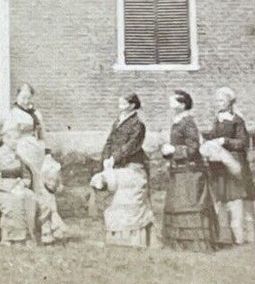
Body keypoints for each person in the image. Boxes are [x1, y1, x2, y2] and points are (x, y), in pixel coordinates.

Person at [204, 87, 255, 247]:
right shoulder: (217, 118)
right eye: (217, 100)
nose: (218, 103)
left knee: (237, 199)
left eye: (221, 100)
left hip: (235, 163)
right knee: (222, 199)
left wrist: (225, 141)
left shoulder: (237, 120)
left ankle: (243, 236)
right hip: (220, 164)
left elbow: (242, 142)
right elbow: (214, 136)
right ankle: (225, 236)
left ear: (230, 102)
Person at [91, 92, 153, 247]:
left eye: (123, 103)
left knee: (130, 201)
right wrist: (106, 158)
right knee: (115, 202)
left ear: (132, 105)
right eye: (119, 103)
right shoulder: (118, 121)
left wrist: (115, 157)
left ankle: (135, 239)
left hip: (132, 166)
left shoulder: (138, 124)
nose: (120, 106)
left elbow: (131, 146)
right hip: (116, 165)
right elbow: (110, 141)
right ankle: (116, 238)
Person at [160, 90, 217, 251]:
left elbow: (193, 148)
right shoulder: (177, 121)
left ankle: (193, 244)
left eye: (174, 100)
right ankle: (179, 243)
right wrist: (168, 152)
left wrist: (174, 150)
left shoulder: (188, 122)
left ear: (182, 104)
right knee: (178, 203)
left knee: (189, 203)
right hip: (179, 170)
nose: (170, 102)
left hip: (190, 171)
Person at [0, 118, 40, 243]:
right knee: (14, 200)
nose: (15, 142)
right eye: (12, 138)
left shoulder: (19, 156)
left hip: (18, 187)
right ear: (4, 139)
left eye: (17, 139)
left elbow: (26, 175)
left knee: (30, 197)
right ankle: (12, 237)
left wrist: (22, 183)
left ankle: (29, 235)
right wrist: (11, 186)